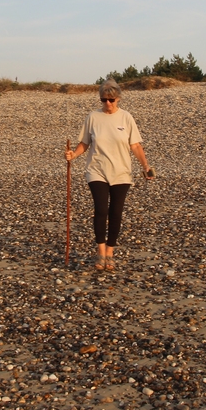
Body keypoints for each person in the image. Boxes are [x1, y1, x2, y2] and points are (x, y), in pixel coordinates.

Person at [65, 79, 153, 270]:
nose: (107, 103)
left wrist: (146, 166)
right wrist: (74, 155)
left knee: (116, 213)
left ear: (118, 98)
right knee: (101, 210)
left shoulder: (126, 118)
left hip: (121, 172)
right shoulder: (93, 117)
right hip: (97, 170)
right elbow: (85, 144)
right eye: (103, 100)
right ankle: (101, 251)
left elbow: (135, 145)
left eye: (111, 100)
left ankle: (110, 252)